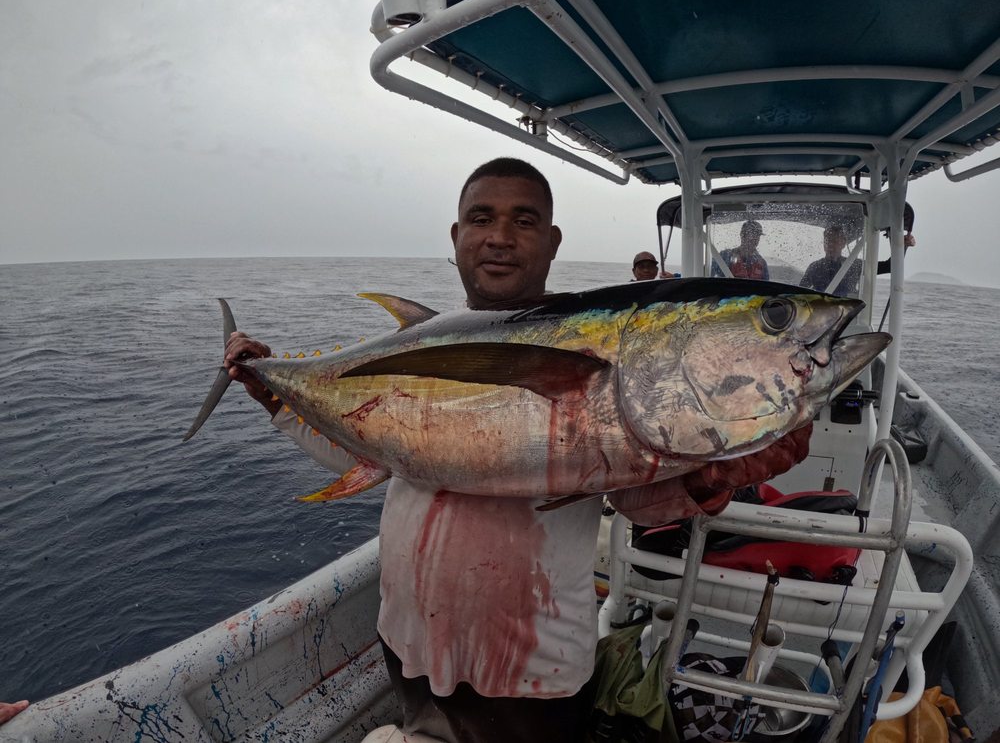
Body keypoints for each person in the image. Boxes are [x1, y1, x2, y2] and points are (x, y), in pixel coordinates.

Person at [223, 157, 811, 743]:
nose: (499, 237)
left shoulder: (593, 337)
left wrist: (713, 476)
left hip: (534, 665)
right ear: (457, 237)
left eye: (524, 221)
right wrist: (274, 397)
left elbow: (634, 496)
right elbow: (375, 453)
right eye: (482, 218)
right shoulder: (421, 336)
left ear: (552, 241)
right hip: (410, 641)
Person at [800, 225, 916, 295]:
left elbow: (889, 266)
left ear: (843, 243)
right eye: (827, 240)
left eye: (834, 240)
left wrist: (903, 246)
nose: (830, 244)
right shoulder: (814, 267)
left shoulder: (854, 265)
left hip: (848, 316)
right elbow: (799, 292)